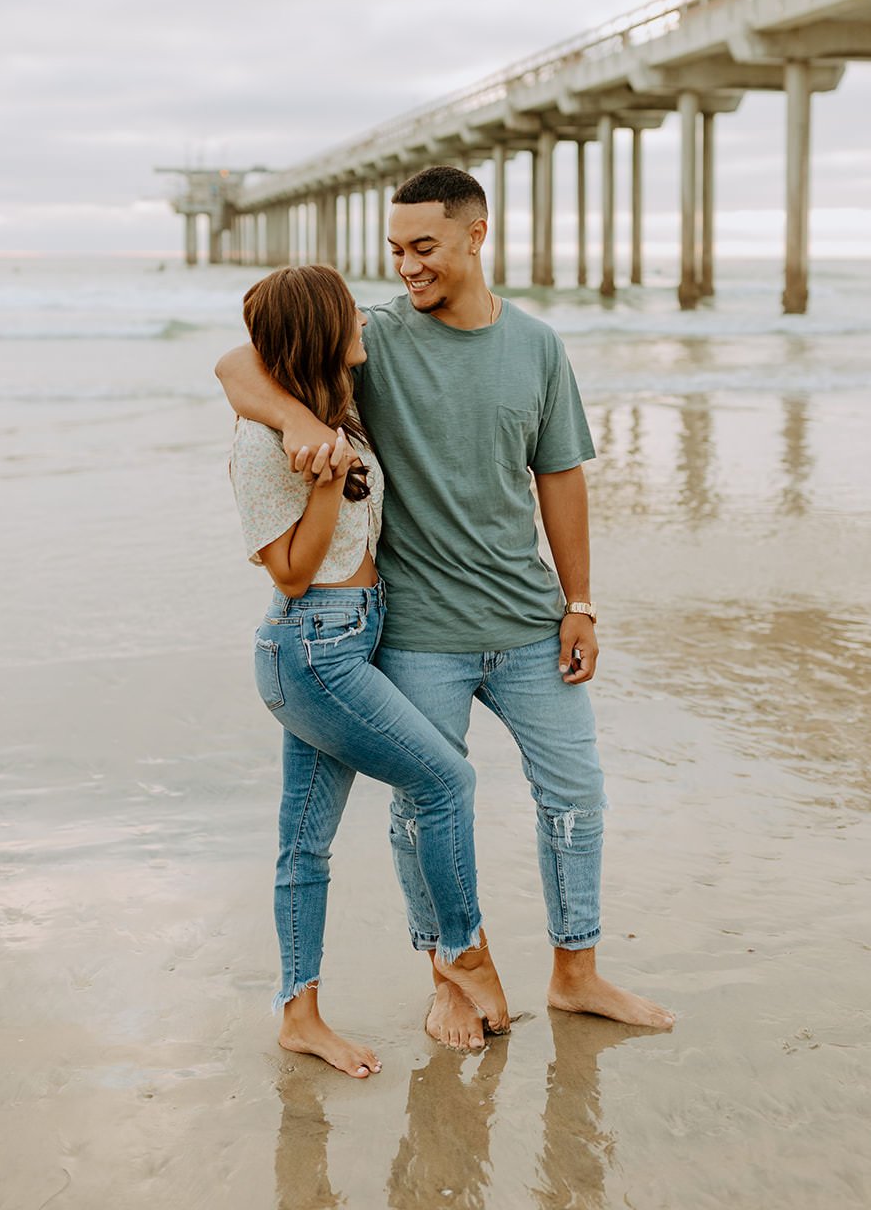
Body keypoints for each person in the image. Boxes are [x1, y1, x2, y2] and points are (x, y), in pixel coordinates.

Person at [219, 167, 674, 1047]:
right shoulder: (373, 340)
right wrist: (297, 422)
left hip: (529, 621)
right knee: (422, 806)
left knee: (575, 796)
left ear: (476, 236)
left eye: (422, 247)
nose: (406, 266)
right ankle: (446, 979)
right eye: (394, 250)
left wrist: (579, 600)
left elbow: (560, 475)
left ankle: (575, 973)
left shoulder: (537, 347)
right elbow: (239, 360)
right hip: (416, 631)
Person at [229, 262, 509, 1078]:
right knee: (444, 782)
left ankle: (299, 1017)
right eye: (347, 311)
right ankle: (461, 949)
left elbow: (232, 365)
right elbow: (287, 572)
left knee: (303, 845)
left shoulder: (331, 417)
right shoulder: (266, 442)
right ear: (321, 327)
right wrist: (319, 488)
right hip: (313, 648)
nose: (363, 320)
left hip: (350, 640)